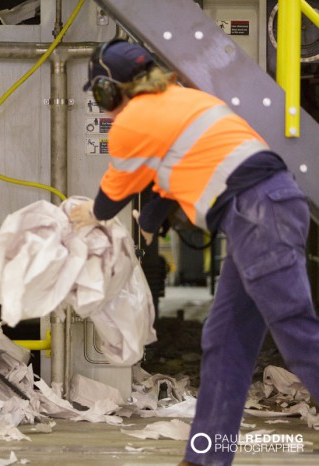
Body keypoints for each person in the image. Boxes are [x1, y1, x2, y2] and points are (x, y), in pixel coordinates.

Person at [71, 39, 319, 465]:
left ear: (113, 90)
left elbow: (112, 196)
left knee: (298, 336)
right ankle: (204, 456)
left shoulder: (133, 121)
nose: (101, 106)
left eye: (99, 94)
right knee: (225, 340)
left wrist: (86, 215)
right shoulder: (183, 100)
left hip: (257, 216)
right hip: (264, 211)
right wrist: (148, 225)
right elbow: (173, 173)